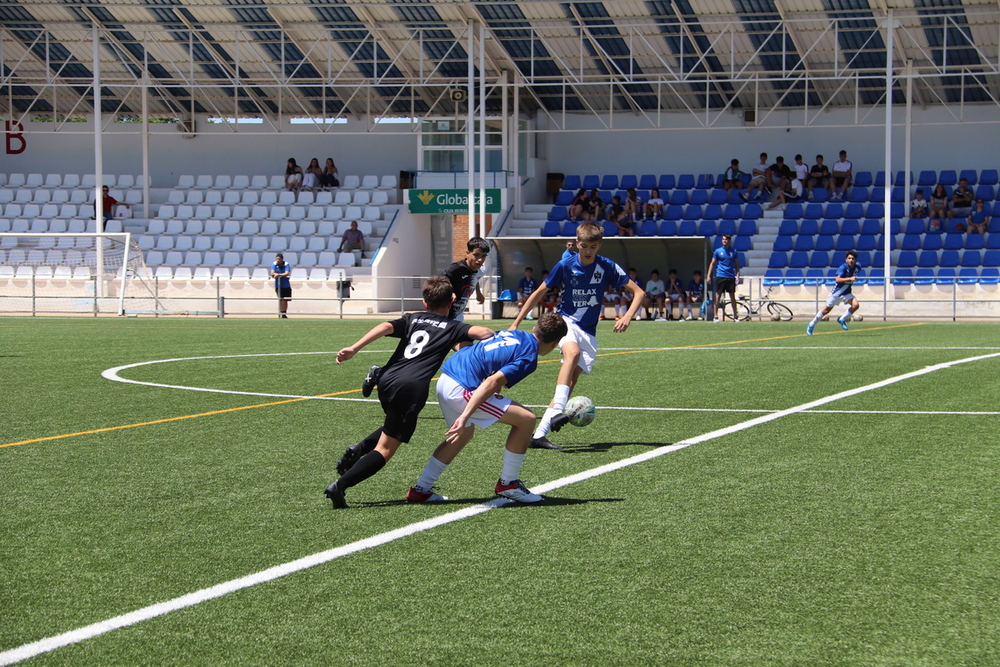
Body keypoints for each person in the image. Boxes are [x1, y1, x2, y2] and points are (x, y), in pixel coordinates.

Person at [323, 276, 494, 509]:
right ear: (452, 301)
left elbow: (385, 327)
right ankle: (340, 486)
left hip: (387, 380)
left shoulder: (413, 317)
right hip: (411, 387)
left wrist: (354, 348)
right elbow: (485, 332)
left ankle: (361, 447)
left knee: (394, 425)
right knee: (386, 448)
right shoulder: (454, 327)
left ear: (425, 302)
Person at [406, 313, 568, 503]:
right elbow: (491, 382)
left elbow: (490, 363)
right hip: (461, 387)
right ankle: (508, 484)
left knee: (462, 435)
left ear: (534, 328)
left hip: (446, 378)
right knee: (527, 419)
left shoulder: (515, 334)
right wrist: (466, 415)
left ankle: (421, 489)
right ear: (555, 343)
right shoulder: (529, 357)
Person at [510, 222, 645, 450]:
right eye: (584, 246)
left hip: (589, 331)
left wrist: (627, 316)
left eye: (593, 246)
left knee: (571, 382)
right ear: (577, 243)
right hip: (566, 322)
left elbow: (639, 292)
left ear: (599, 245)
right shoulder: (565, 265)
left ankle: (539, 435)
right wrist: (515, 323)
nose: (588, 251)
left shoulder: (607, 267)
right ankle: (558, 411)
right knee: (571, 353)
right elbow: (538, 293)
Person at [807, 250, 860, 335]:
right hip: (837, 293)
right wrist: (850, 279)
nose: (851, 260)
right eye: (849, 258)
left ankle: (842, 319)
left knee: (856, 305)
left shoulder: (857, 267)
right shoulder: (843, 267)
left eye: (853, 259)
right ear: (846, 259)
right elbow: (838, 279)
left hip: (846, 292)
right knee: (826, 311)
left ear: (855, 260)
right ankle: (811, 324)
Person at [445, 237, 489, 321]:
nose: (480, 260)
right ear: (468, 253)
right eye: (476, 255)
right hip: (445, 316)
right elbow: (437, 282)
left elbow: (476, 278)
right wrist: (449, 292)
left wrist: (478, 293)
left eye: (483, 256)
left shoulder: (481, 270)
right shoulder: (456, 269)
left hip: (458, 315)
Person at [707, 233, 741, 322]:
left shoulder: (733, 251)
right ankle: (715, 316)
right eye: (723, 239)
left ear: (729, 240)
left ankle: (735, 316)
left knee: (732, 296)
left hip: (730, 276)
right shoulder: (718, 251)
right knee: (717, 296)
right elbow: (712, 264)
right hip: (720, 276)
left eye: (726, 239)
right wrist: (708, 276)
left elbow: (737, 264)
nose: (724, 241)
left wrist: (737, 275)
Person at [270, 253, 292, 318]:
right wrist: (276, 275)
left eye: (279, 259)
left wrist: (279, 275)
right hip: (278, 285)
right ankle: (281, 312)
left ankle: (284, 313)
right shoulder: (274, 264)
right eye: (277, 259)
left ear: (282, 259)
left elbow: (287, 273)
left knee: (285, 300)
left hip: (285, 285)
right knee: (281, 299)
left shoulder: (286, 264)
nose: (278, 260)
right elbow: (272, 273)